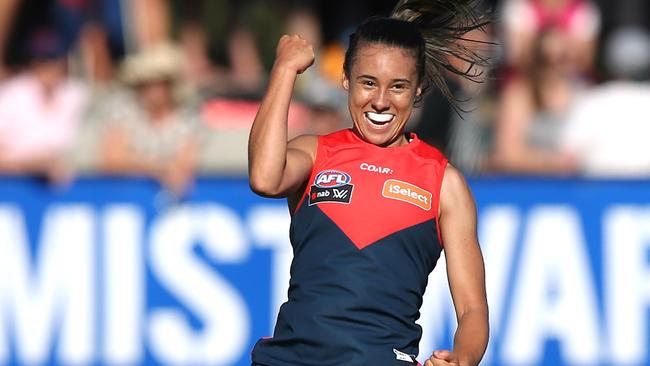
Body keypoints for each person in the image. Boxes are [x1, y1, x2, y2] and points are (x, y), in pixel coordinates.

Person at [248, 0, 489, 365]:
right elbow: (265, 179)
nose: (380, 101)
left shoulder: (444, 182)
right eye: (368, 83)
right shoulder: (315, 153)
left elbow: (472, 308)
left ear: (419, 89)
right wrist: (284, 70)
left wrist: (464, 358)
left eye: (398, 87)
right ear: (345, 79)